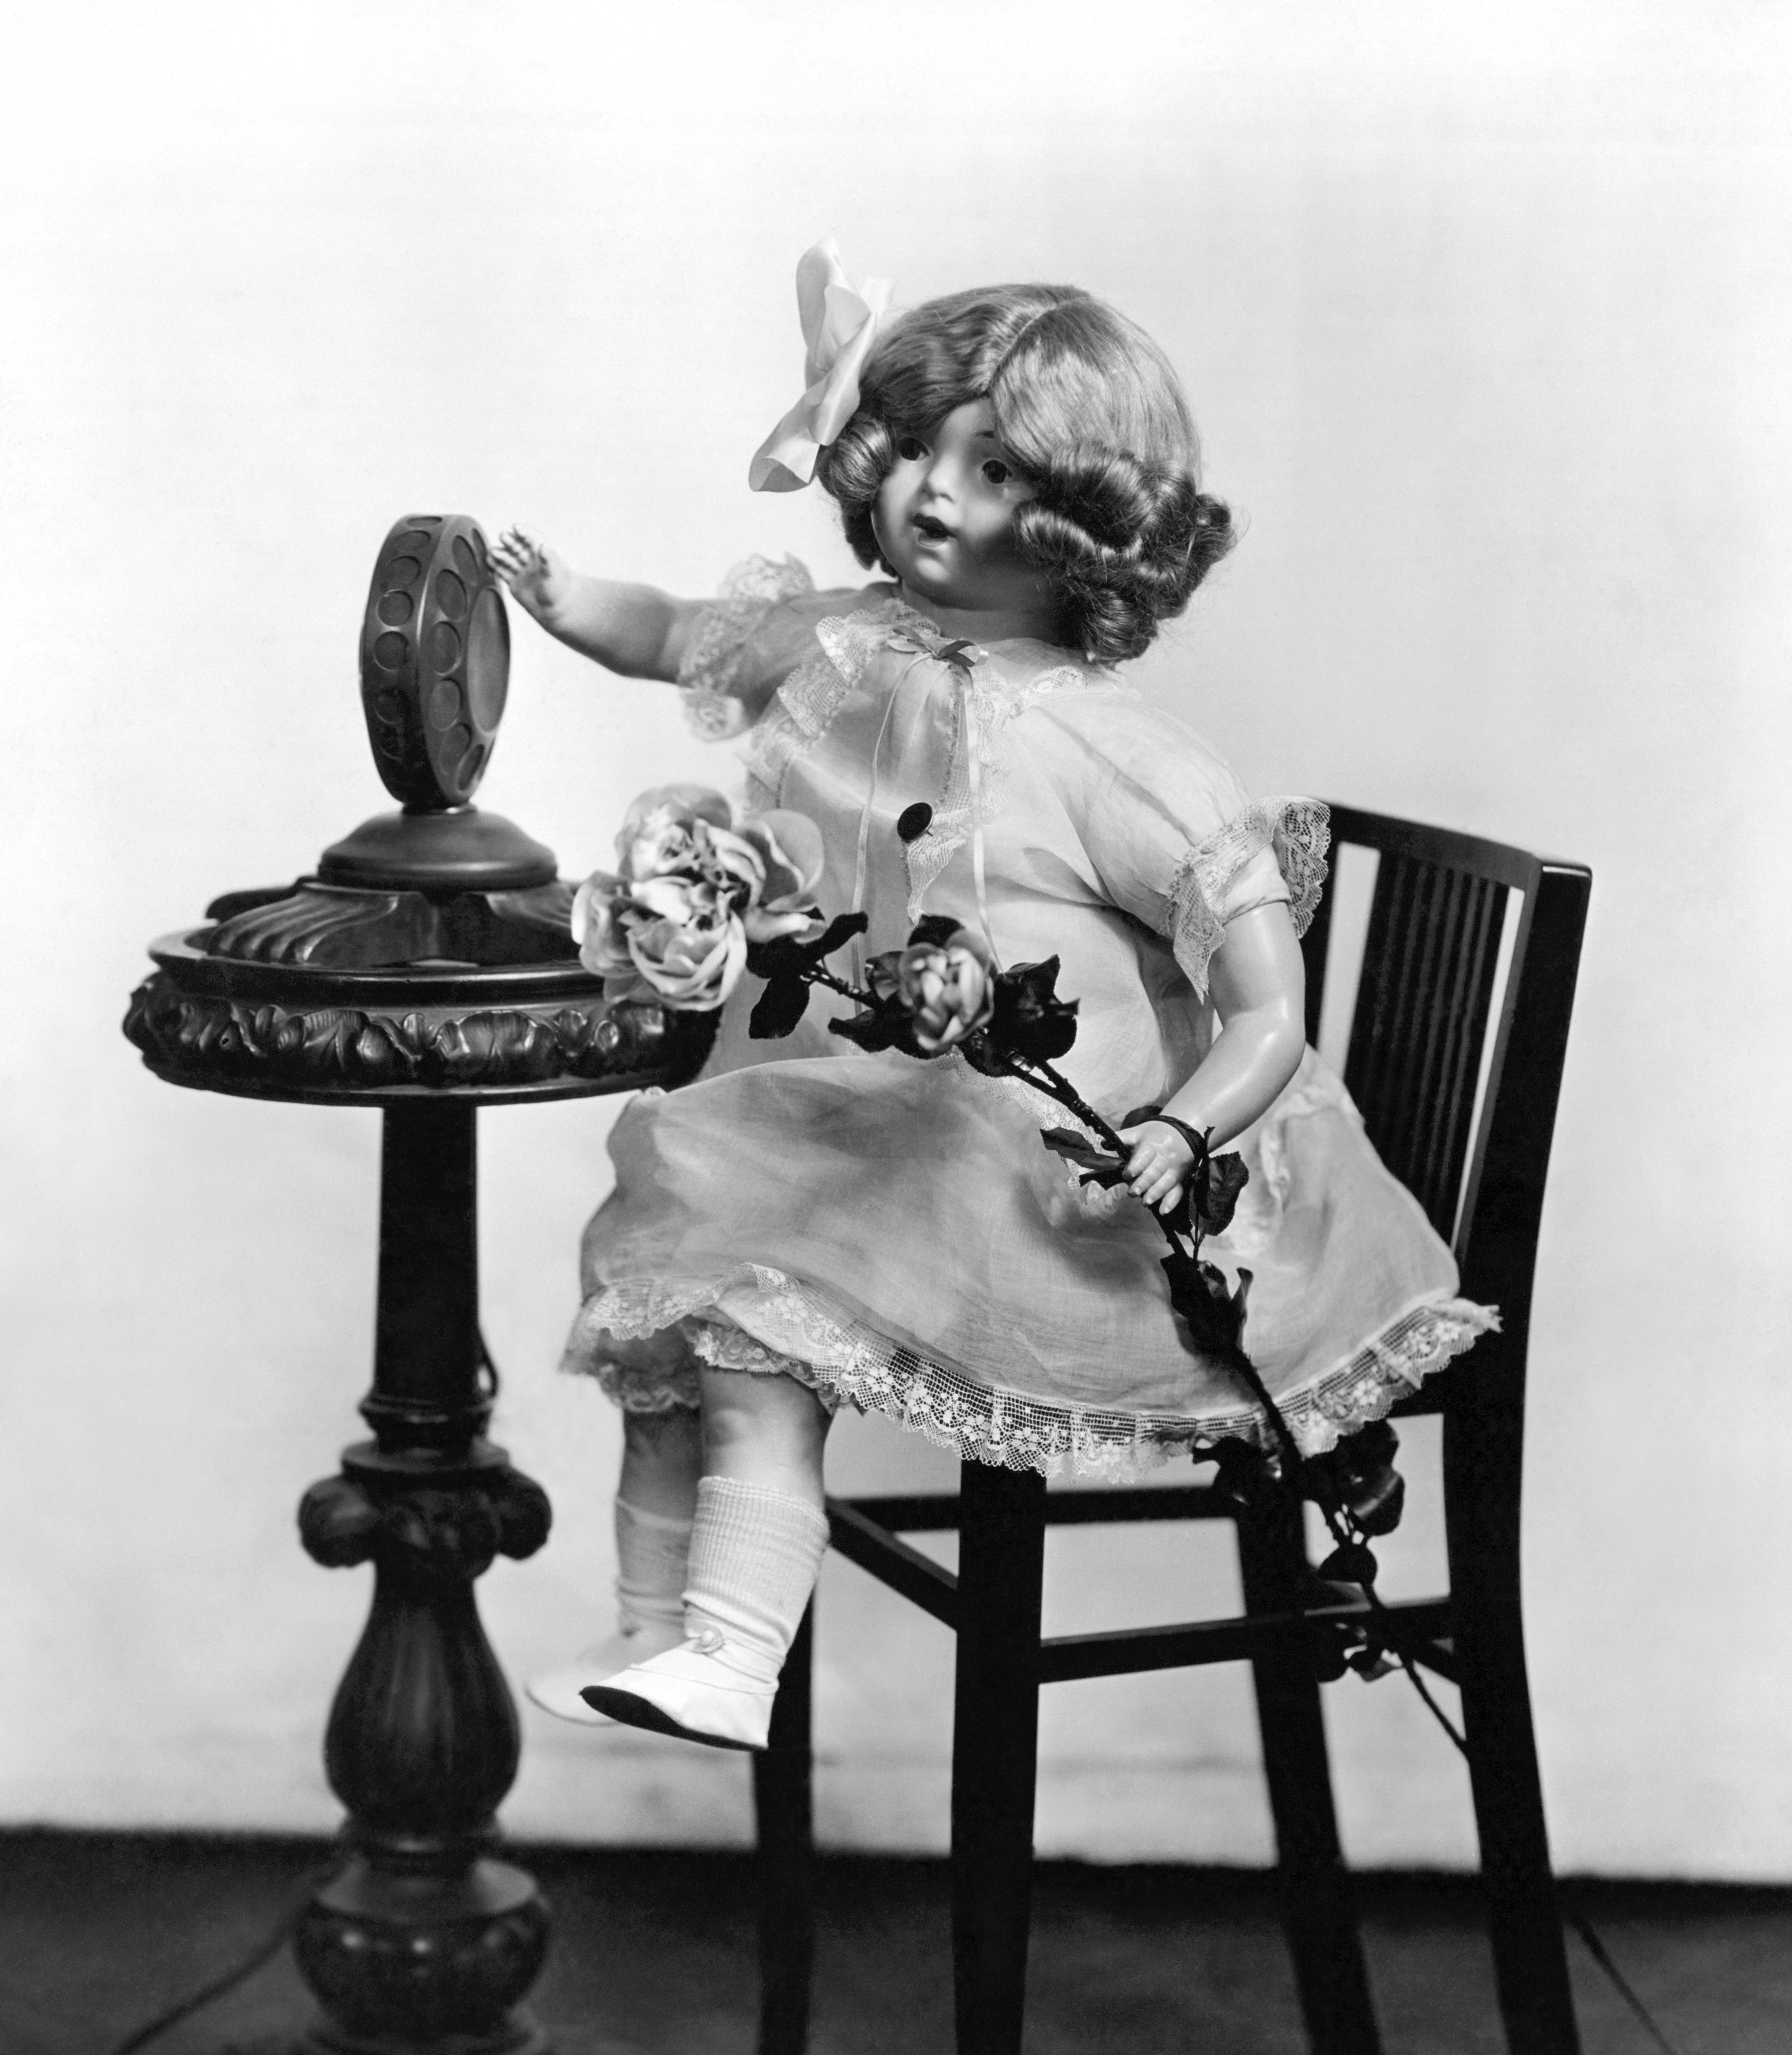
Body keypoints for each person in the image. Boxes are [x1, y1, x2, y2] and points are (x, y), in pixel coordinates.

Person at [489, 244, 1492, 1754]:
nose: (938, 496)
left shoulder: (1110, 755)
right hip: (886, 1125)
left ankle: (736, 1651)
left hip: (1064, 1191)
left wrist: (1179, 1128)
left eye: (999, 468)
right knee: (678, 1283)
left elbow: (1265, 1006)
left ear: (1093, 523)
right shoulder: (840, 647)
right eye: (931, 451)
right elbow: (683, 632)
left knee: (748, 1289)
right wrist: (568, 601)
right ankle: (655, 1623)